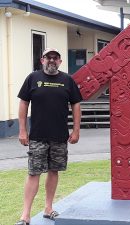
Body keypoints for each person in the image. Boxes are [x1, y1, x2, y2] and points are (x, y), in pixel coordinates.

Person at [15, 48, 82, 225]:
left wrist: (76, 130)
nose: (52, 60)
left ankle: (48, 208)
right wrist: (22, 130)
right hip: (37, 136)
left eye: (55, 58)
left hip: (60, 136)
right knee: (33, 172)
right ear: (42, 60)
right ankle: (25, 214)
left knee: (54, 171)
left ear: (60, 61)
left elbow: (76, 105)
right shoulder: (32, 78)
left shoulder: (67, 80)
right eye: (48, 57)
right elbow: (23, 103)